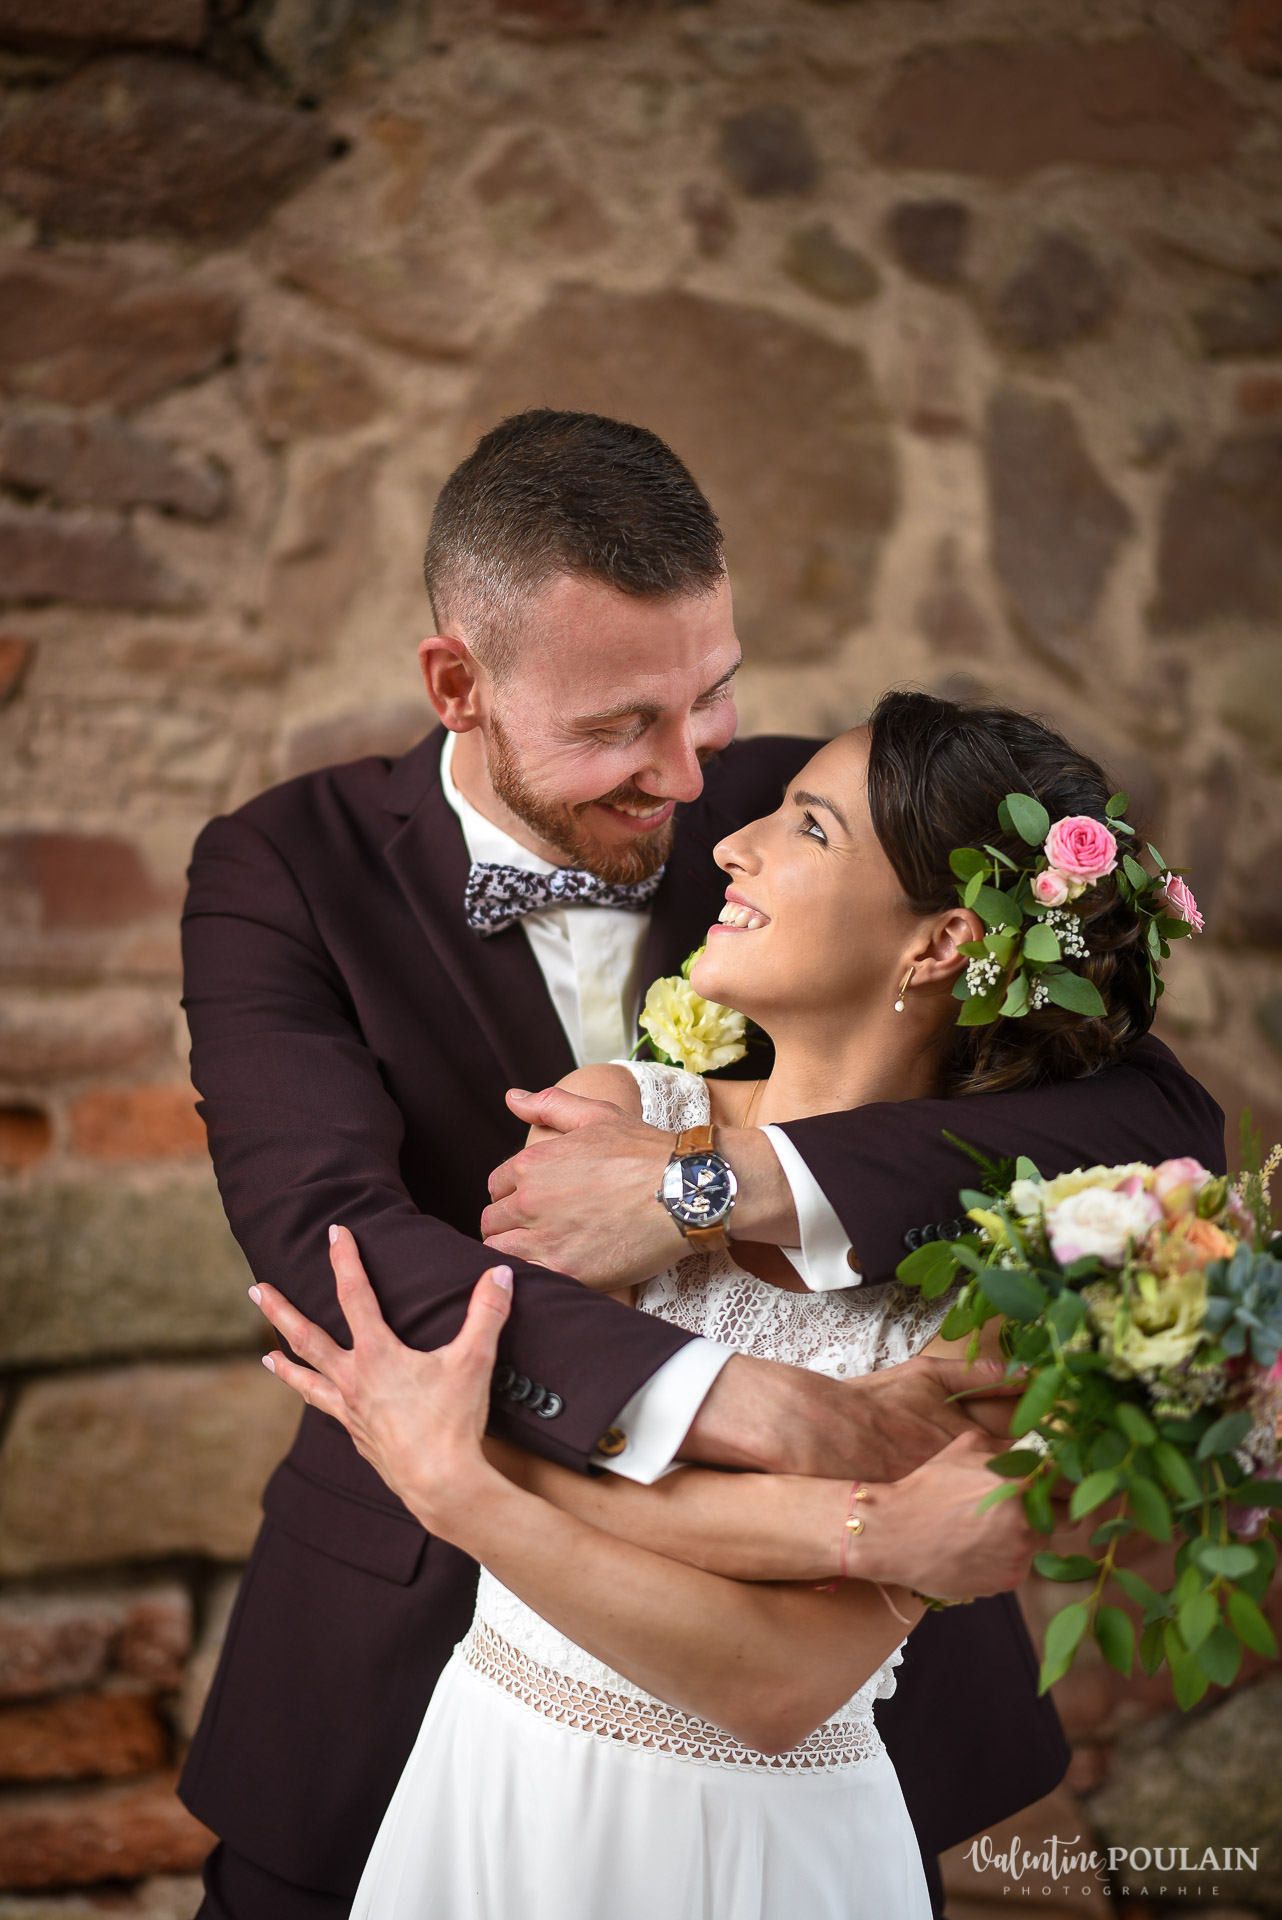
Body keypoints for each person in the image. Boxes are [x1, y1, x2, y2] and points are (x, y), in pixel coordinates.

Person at [179, 411, 1224, 1919]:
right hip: (401, 1637)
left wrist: (715, 1183)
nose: (687, 781)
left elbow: (1156, 1122)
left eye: (714, 693)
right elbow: (324, 1229)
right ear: (458, 684)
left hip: (808, 1702)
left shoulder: (816, 821)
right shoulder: (283, 867)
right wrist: (739, 1400)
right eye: (619, 725)